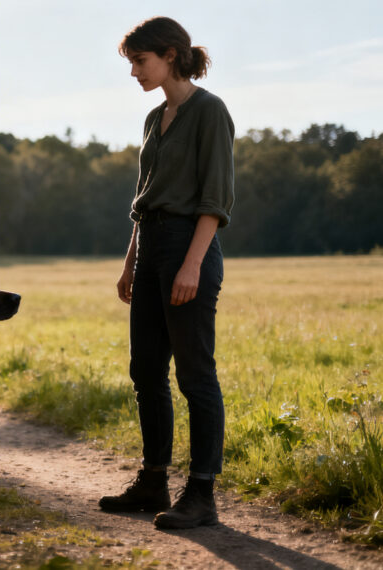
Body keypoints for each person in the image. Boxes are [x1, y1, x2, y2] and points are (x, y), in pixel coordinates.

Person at [97, 16, 235, 529]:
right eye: (132, 62)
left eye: (140, 61)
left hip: (188, 247)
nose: (134, 72)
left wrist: (192, 264)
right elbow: (143, 198)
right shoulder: (154, 120)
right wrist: (131, 262)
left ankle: (201, 494)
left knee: (195, 375)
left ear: (170, 55)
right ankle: (153, 479)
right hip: (151, 246)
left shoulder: (209, 111)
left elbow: (215, 199)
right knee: (145, 371)